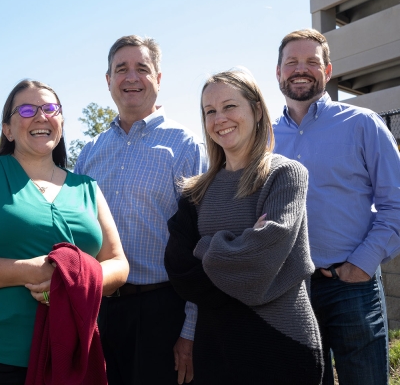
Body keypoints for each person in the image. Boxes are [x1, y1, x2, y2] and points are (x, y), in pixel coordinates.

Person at [0, 79, 129, 385]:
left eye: (50, 108)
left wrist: (68, 278)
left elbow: (118, 264)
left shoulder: (87, 188)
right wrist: (28, 271)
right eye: (26, 109)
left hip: (66, 357)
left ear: (60, 122)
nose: (40, 116)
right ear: (7, 129)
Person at [164, 69, 324, 384]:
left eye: (229, 106)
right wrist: (240, 248)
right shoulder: (196, 192)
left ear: (256, 108)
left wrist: (206, 245)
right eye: (210, 111)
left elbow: (258, 263)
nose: (219, 117)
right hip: (216, 345)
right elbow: (180, 269)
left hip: (280, 342)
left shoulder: (285, 175)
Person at [74, 35, 207, 385]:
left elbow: (202, 243)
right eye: (121, 69)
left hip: (162, 311)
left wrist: (190, 330)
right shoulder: (89, 152)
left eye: (142, 69)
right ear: (108, 80)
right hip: (98, 309)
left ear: (159, 79)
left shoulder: (185, 146)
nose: (131, 77)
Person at [273, 28, 400, 385]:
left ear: (327, 71)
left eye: (312, 62)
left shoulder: (363, 125)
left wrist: (361, 265)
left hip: (351, 286)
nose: (301, 69)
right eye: (292, 62)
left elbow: (396, 204)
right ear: (278, 72)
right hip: (290, 291)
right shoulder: (263, 138)